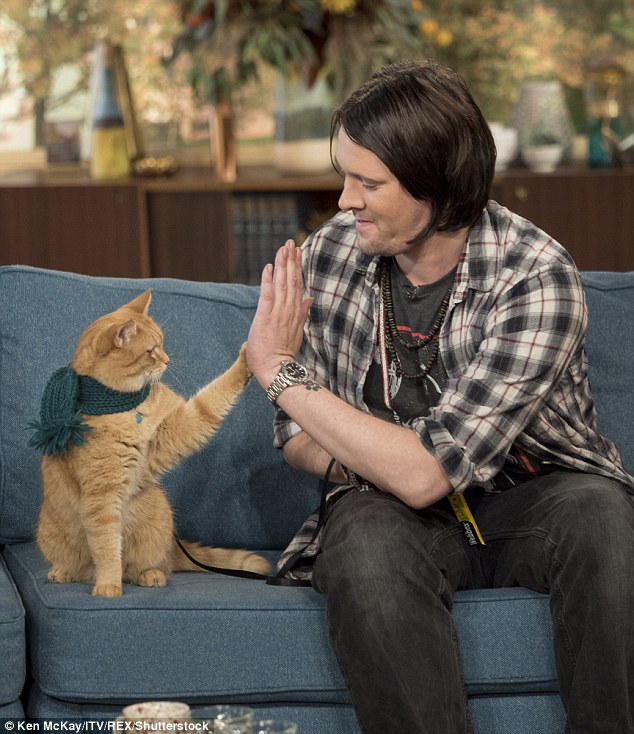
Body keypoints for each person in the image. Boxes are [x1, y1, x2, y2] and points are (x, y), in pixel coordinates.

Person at [246, 59, 634, 734]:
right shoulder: (331, 256)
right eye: (344, 175)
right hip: (389, 509)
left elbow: (425, 472)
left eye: (368, 183)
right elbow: (297, 437)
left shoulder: (535, 276)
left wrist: (277, 370)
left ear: (438, 187)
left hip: (531, 495)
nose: (344, 201)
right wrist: (365, 458)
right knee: (360, 538)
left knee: (601, 518)